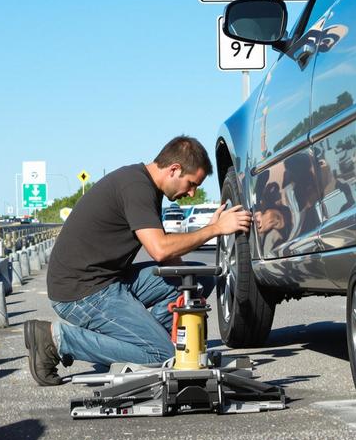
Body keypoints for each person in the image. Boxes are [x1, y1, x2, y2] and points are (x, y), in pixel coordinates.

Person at [25, 136, 252, 385]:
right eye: (191, 184)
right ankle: (56, 339)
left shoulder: (144, 185)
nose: (192, 192)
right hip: (82, 293)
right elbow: (160, 250)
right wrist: (214, 230)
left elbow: (169, 256)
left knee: (195, 279)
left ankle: (130, 343)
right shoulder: (136, 187)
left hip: (108, 281)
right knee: (162, 354)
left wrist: (203, 237)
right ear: (174, 169)